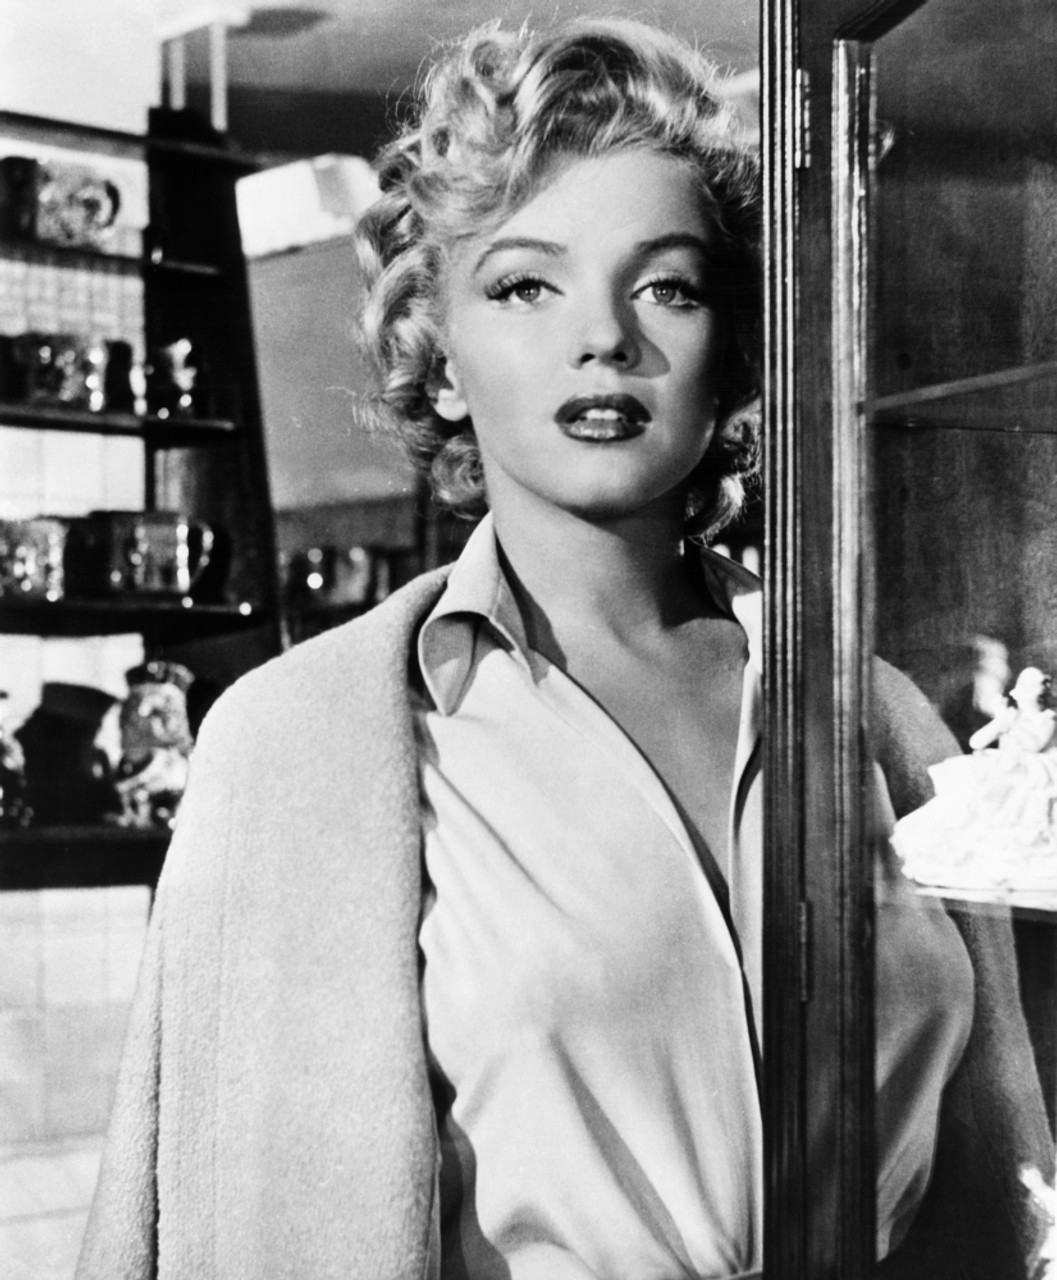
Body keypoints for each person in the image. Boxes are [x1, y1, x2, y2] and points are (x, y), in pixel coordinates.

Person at [77, 18, 1050, 1280]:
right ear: (439, 354)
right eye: (526, 285)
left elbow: (1002, 1182)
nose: (606, 338)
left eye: (668, 286)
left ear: (736, 350)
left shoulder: (875, 712)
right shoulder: (297, 746)